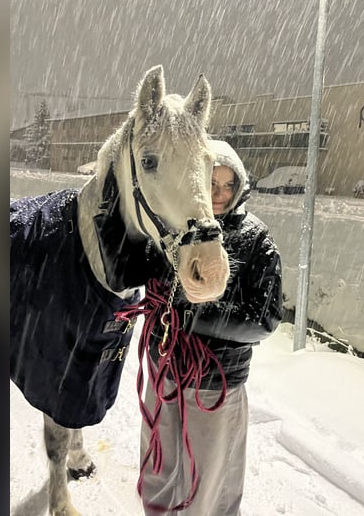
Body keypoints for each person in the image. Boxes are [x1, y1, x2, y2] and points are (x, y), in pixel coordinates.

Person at [138, 140, 283, 515]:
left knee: (210, 480)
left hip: (214, 382)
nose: (219, 194)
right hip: (164, 370)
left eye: (227, 185)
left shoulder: (256, 239)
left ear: (239, 187)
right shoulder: (170, 228)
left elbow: (264, 319)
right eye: (210, 183)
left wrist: (195, 315)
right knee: (159, 463)